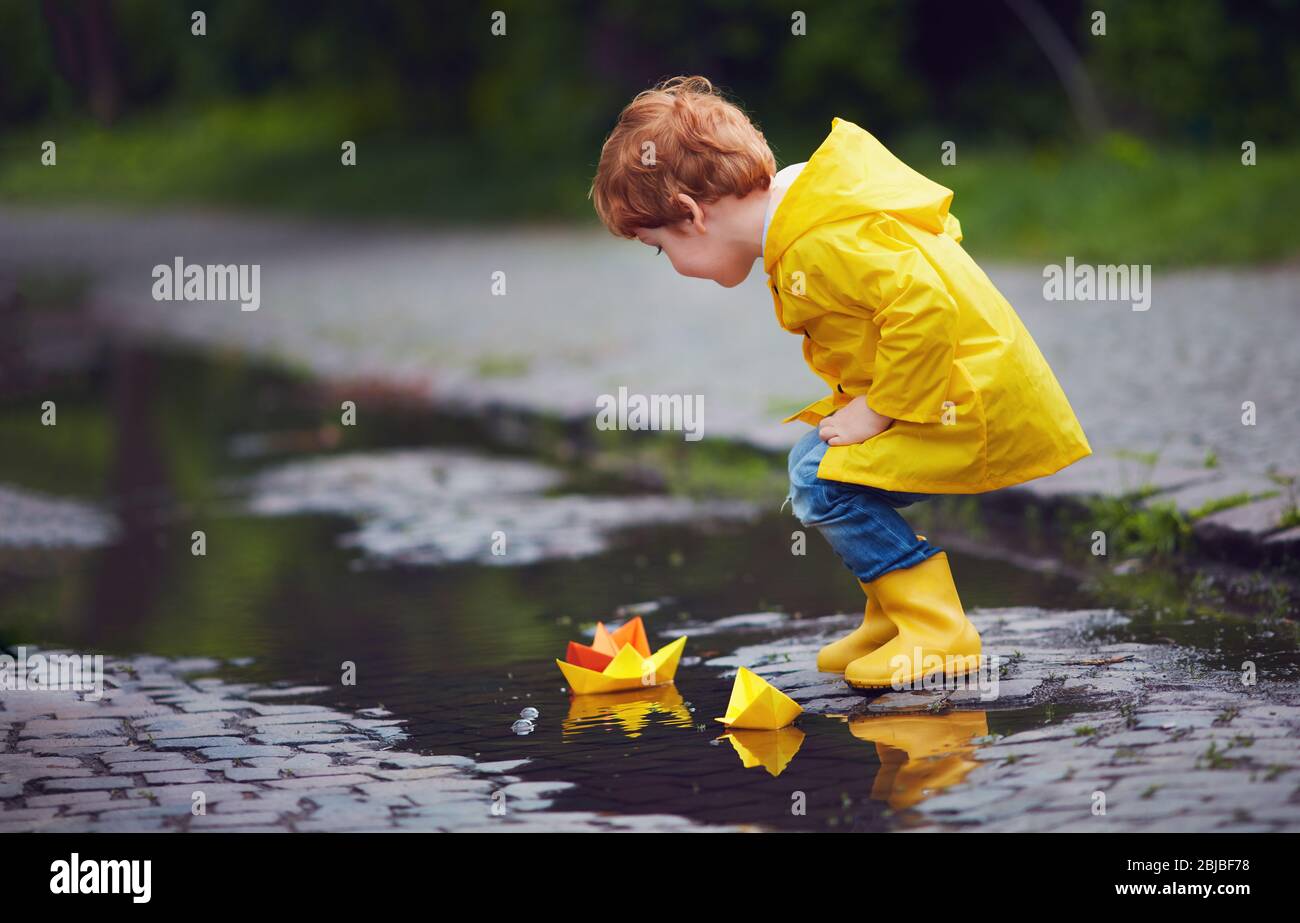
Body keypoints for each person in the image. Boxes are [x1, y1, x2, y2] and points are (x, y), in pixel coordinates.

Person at [589, 76, 1090, 690]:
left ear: (692, 215)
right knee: (817, 462)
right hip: (952, 388)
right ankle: (891, 616)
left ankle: (936, 631)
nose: (671, 264)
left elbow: (926, 309)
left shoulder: (818, 237)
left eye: (659, 247)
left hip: (969, 401)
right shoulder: (809, 213)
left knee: (821, 478)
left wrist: (879, 409)